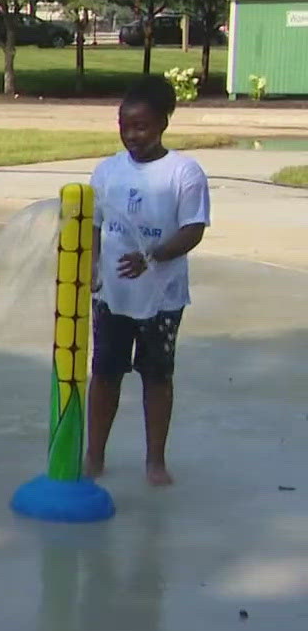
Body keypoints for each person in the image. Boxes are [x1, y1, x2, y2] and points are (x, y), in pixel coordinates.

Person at [86, 75, 209, 487]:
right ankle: (95, 454)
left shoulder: (184, 173)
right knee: (105, 374)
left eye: (140, 126)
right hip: (112, 295)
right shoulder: (106, 172)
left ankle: (155, 460)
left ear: (163, 124)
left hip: (162, 297)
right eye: (124, 126)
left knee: (157, 376)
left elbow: (193, 230)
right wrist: (91, 267)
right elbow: (93, 225)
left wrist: (152, 257)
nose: (131, 135)